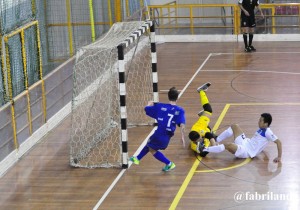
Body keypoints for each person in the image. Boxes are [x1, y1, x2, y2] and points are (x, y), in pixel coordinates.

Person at [130, 87, 186, 171]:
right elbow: (182, 124)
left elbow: (146, 109)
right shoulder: (180, 110)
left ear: (168, 96)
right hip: (167, 136)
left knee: (152, 149)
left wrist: (149, 104)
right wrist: (182, 136)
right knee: (150, 144)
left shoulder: (160, 106)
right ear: (177, 97)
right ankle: (137, 158)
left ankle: (169, 163)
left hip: (160, 133)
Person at [198, 113, 282, 163]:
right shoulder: (262, 129)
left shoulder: (268, 132)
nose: (258, 122)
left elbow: (279, 142)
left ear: (266, 124)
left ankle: (204, 149)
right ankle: (216, 140)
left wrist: (279, 157)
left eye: (260, 121)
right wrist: (261, 150)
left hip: (246, 151)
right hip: (245, 142)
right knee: (235, 126)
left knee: (228, 145)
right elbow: (261, 142)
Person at [188, 82, 217, 157]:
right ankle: (202, 114)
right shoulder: (194, 146)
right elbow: (203, 154)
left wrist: (214, 147)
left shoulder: (200, 132)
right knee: (210, 130)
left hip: (202, 124)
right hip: (205, 128)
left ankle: (201, 90)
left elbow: (209, 136)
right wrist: (207, 148)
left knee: (209, 110)